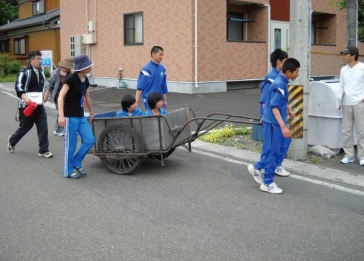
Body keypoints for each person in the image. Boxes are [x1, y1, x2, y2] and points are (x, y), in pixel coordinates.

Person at [248, 58, 300, 194]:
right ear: (288, 72)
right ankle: (267, 182)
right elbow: (274, 107)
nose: (298, 74)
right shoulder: (279, 83)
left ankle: (258, 167)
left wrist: (288, 109)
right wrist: (283, 126)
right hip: (273, 123)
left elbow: (276, 100)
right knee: (272, 152)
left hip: (274, 122)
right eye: (297, 72)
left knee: (283, 144)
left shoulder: (282, 81)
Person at [248, 49, 290, 178]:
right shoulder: (271, 79)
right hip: (271, 119)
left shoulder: (280, 77)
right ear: (278, 62)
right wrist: (263, 116)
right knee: (270, 147)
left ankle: (275, 164)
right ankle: (259, 167)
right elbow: (264, 101)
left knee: (285, 141)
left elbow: (278, 99)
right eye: (285, 61)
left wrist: (288, 108)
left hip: (279, 117)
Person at [7, 50, 53, 158]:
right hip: (27, 105)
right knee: (25, 128)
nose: (40, 61)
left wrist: (45, 96)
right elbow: (18, 87)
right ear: (31, 60)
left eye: (40, 59)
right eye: (37, 59)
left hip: (39, 105)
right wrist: (25, 98)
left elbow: (41, 88)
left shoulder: (41, 72)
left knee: (43, 126)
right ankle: (12, 140)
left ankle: (43, 150)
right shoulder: (24, 72)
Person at [57, 54, 96, 179]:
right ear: (82, 67)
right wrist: (61, 116)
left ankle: (76, 162)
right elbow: (60, 96)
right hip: (69, 115)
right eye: (88, 65)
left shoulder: (86, 80)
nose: (90, 67)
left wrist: (91, 112)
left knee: (90, 140)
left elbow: (87, 97)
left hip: (80, 114)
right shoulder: (71, 79)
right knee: (71, 145)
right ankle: (68, 170)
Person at [338, 46, 364, 166]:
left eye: (345, 54)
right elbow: (341, 85)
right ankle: (349, 155)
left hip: (359, 102)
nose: (343, 56)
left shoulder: (362, 68)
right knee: (346, 131)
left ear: (353, 56)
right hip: (346, 102)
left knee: (361, 131)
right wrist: (339, 99)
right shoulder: (343, 69)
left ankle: (362, 156)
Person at [43, 58, 74, 136]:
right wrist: (46, 96)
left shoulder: (70, 73)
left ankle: (62, 129)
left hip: (67, 95)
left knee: (66, 111)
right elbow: (50, 85)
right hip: (58, 95)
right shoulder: (55, 73)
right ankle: (59, 129)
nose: (69, 69)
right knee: (61, 111)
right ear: (63, 67)